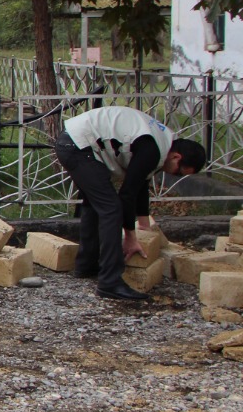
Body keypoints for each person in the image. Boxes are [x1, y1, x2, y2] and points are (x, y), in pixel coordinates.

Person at [54, 106, 205, 301]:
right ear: (177, 157)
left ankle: (87, 265)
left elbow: (140, 182)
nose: (174, 174)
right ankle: (110, 282)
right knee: (111, 209)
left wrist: (144, 224)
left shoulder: (161, 143)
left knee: (96, 204)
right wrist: (131, 238)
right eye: (179, 171)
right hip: (77, 145)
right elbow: (127, 194)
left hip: (76, 142)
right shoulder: (153, 148)